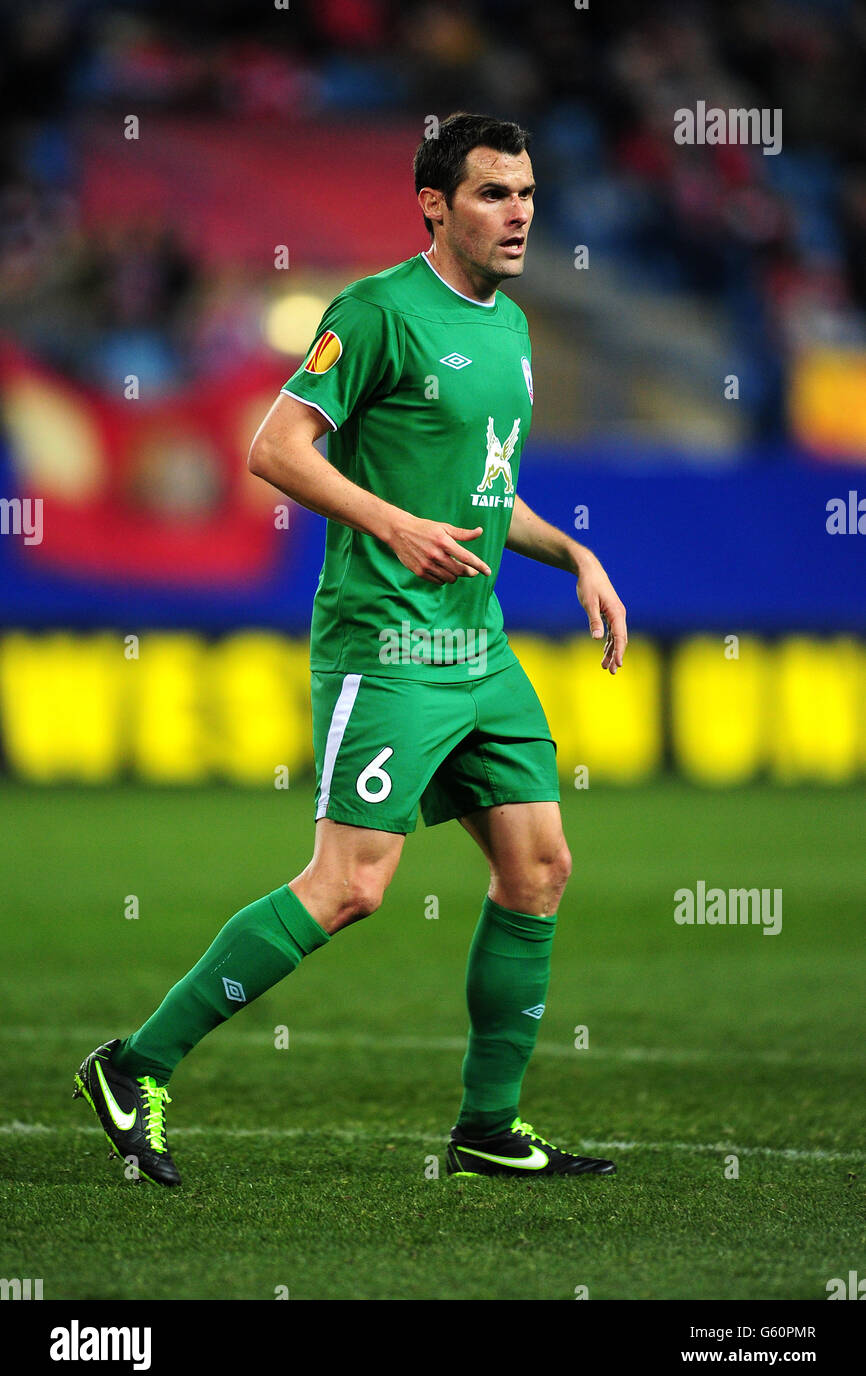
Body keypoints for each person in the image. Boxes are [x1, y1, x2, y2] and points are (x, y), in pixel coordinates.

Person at [73, 112, 627, 1186]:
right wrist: (388, 523)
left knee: (538, 867)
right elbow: (274, 448)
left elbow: (483, 495)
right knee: (351, 884)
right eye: (490, 194)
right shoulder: (374, 312)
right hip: (387, 646)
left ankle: (487, 1124)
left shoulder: (507, 327)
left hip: (480, 652)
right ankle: (134, 1063)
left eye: (523, 193)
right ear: (433, 203)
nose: (516, 212)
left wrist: (573, 554)